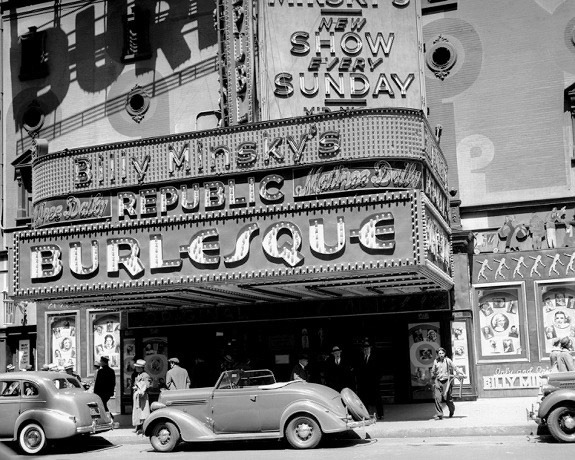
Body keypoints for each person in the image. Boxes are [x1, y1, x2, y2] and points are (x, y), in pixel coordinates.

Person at [430, 347, 465, 420]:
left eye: (442, 353)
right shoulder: (435, 361)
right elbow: (432, 370)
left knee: (448, 399)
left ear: (444, 353)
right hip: (438, 380)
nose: (441, 355)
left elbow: (455, 368)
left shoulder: (447, 360)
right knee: (437, 398)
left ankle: (452, 410)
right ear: (438, 354)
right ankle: (439, 414)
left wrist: (461, 373)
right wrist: (432, 375)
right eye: (439, 353)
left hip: (446, 381)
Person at [356, 340, 383, 420]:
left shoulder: (375, 358)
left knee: (377, 398)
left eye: (367, 349)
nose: (366, 350)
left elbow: (380, 370)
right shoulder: (361, 359)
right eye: (364, 349)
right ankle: (366, 415)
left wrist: (377, 380)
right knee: (365, 399)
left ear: (370, 349)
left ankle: (380, 414)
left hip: (374, 382)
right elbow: (359, 371)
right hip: (364, 383)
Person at [132, 359, 151, 435]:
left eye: (138, 367)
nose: (136, 368)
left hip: (142, 396)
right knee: (137, 411)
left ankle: (144, 428)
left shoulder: (145, 375)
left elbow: (147, 385)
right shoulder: (138, 375)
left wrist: (139, 386)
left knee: (143, 412)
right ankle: (138, 427)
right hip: (138, 396)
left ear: (141, 368)